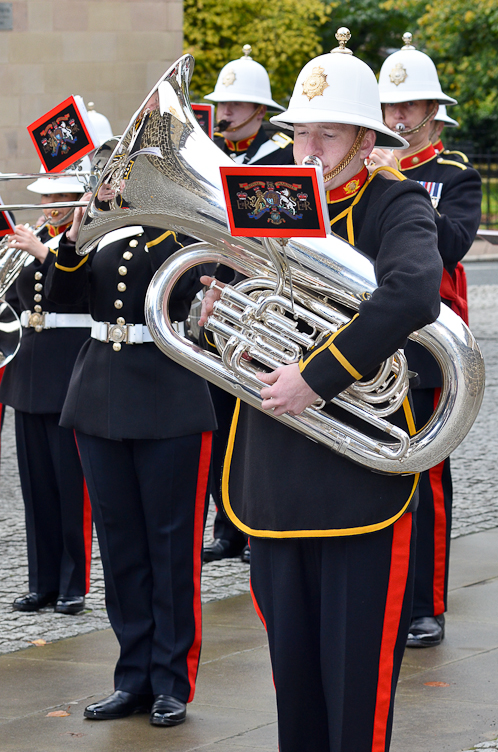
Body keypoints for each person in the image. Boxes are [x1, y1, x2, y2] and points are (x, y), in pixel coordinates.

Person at [199, 28, 442, 752]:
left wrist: (319, 377)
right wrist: (215, 315)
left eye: (327, 136)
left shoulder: (394, 205)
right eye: (300, 133)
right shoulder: (271, 197)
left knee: (354, 689)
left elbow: (413, 295)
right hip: (271, 476)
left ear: (368, 141)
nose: (307, 151)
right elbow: (245, 301)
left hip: (358, 478)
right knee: (294, 685)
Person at [45, 108, 217, 724]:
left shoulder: (183, 232)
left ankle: (172, 680)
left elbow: (201, 294)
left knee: (171, 547)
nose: (116, 179)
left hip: (169, 397)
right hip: (100, 397)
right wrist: (75, 232)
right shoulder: (100, 231)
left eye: (129, 169)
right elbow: (64, 297)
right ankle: (133, 675)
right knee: (121, 548)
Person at [369, 32, 482, 648]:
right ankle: (380, 590)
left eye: (410, 107)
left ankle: (427, 602)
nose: (399, 117)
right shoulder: (357, 171)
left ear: (434, 111)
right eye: (390, 107)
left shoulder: (454, 173)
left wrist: (397, 188)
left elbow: (453, 246)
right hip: (367, 338)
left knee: (428, 480)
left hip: (431, 342)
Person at [203, 44, 294, 564]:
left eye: (237, 104)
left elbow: (262, 237)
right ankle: (228, 525)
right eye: (223, 103)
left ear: (261, 110)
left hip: (265, 304)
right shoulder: (219, 153)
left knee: (259, 412)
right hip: (227, 299)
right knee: (222, 417)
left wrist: (221, 281)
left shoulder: (278, 155)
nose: (226, 110)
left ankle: (257, 525)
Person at [0, 168, 93, 615]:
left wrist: (44, 254)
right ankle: (43, 582)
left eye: (60, 195)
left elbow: (77, 295)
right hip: (29, 370)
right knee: (36, 487)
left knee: (70, 486)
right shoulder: (37, 234)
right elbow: (17, 303)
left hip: (70, 365)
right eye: (47, 194)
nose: (50, 203)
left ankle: (74, 583)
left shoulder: (89, 238)